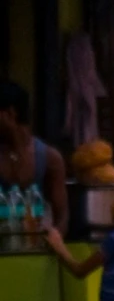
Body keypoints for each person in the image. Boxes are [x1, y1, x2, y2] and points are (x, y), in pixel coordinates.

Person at [0, 80, 65, 227]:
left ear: (10, 113)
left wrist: (53, 244)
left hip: (35, 242)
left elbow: (61, 216)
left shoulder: (49, 158)